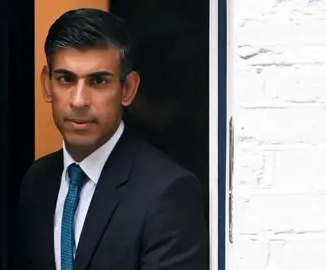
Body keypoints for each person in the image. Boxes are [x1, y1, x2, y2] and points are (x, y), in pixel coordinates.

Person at [15, 8, 208, 270]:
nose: (79, 100)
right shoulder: (37, 183)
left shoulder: (168, 193)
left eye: (98, 81)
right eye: (65, 79)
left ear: (127, 89)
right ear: (47, 85)